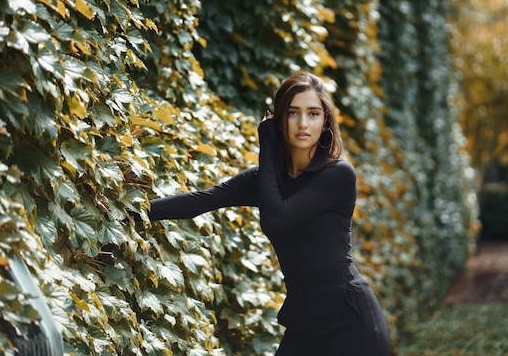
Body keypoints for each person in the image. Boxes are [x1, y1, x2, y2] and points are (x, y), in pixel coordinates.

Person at [137, 71, 391, 355]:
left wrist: (267, 144)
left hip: (351, 324)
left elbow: (276, 218)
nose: (303, 123)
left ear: (326, 122)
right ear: (279, 118)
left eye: (314, 113)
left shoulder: (338, 175)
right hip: (305, 323)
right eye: (293, 112)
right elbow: (202, 201)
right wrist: (134, 212)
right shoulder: (270, 181)